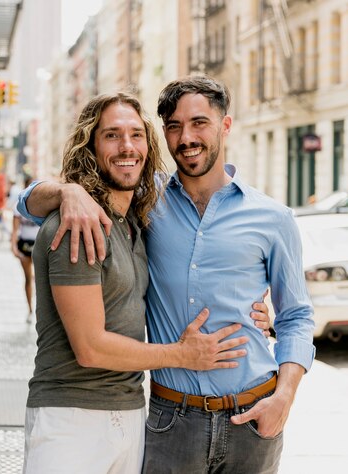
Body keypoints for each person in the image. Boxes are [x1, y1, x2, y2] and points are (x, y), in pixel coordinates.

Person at [19, 76, 314, 473]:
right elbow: (27, 203)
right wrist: (67, 191)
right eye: (174, 126)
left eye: (199, 123)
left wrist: (284, 398)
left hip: (253, 420)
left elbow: (296, 316)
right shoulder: (145, 201)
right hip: (170, 422)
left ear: (225, 126)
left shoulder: (273, 218)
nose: (186, 137)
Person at [10, 176, 39, 323]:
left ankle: (41, 310)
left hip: (39, 244)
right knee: (28, 278)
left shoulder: (42, 205)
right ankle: (29, 309)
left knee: (41, 280)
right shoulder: (18, 206)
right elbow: (15, 229)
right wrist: (14, 247)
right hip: (25, 244)